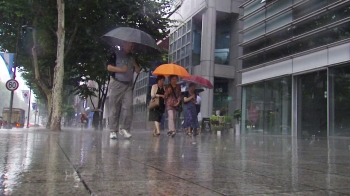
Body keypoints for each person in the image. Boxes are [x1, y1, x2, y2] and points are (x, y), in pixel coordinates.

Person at [107, 41, 141, 139]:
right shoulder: (115, 54)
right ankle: (113, 130)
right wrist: (121, 70)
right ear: (123, 44)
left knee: (129, 106)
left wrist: (135, 65)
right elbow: (109, 67)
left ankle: (125, 129)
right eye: (129, 45)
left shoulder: (132, 57)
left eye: (132, 45)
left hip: (128, 85)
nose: (131, 47)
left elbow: (138, 70)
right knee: (114, 107)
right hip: (117, 83)